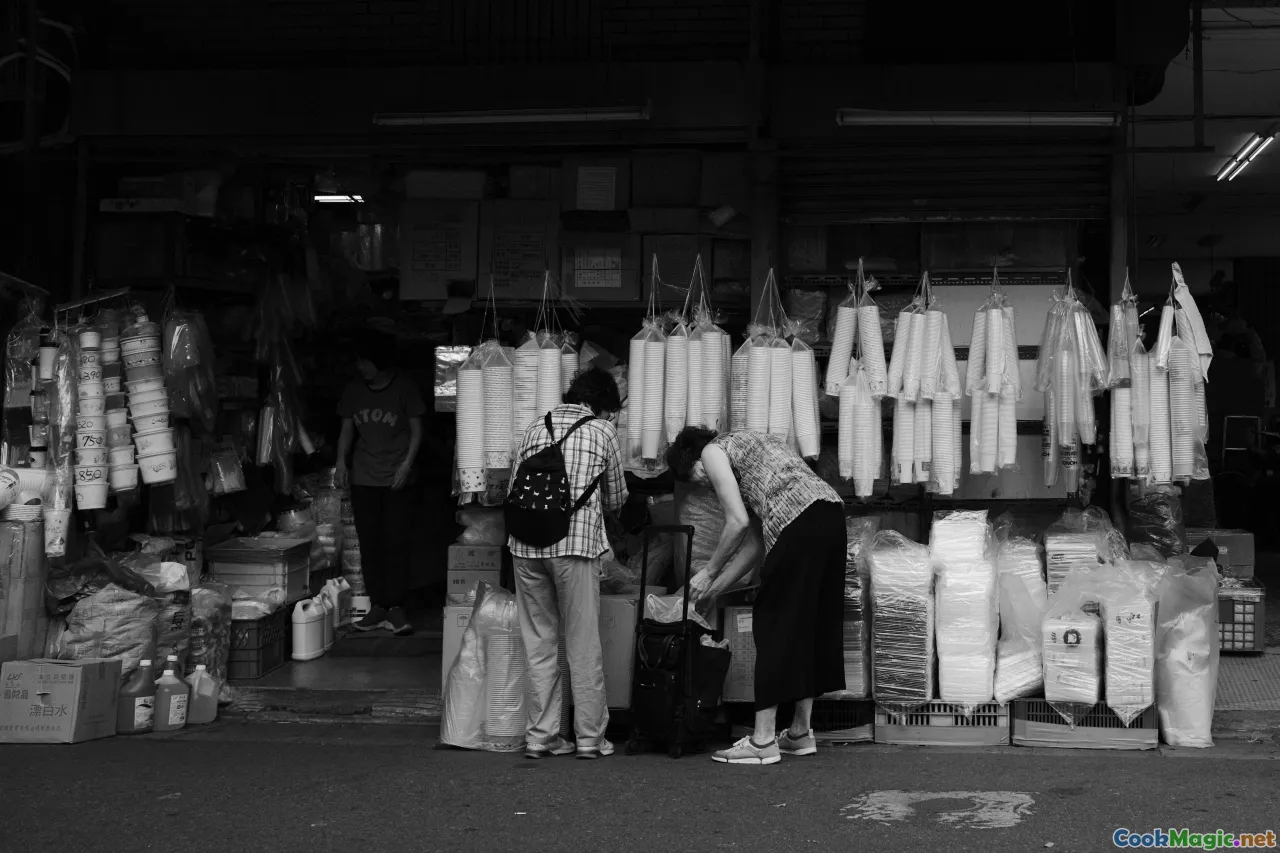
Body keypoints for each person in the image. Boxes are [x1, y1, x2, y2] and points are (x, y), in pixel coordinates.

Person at [666, 427, 845, 766]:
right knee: (808, 626)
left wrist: (706, 573)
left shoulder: (713, 452)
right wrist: (714, 589)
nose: (707, 484)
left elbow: (735, 522)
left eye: (699, 478)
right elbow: (755, 544)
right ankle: (799, 732)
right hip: (830, 514)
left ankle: (762, 740)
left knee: (772, 624)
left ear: (695, 460)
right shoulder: (756, 447)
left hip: (798, 523)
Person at [508, 367, 628, 760]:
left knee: (539, 644)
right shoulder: (602, 431)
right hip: (573, 547)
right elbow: (615, 498)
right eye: (611, 411)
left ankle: (541, 737)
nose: (611, 418)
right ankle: (590, 738)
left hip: (525, 548)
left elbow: (513, 491)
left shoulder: (532, 429)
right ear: (597, 405)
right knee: (582, 643)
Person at [335, 333, 425, 635]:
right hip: (364, 476)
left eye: (366, 360)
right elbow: (347, 429)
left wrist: (406, 465)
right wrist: (340, 462)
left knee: (396, 542)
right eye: (359, 361)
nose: (361, 366)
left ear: (381, 361)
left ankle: (397, 607)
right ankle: (377, 607)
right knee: (369, 543)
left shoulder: (404, 387)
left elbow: (416, 430)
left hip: (397, 477)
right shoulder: (354, 390)